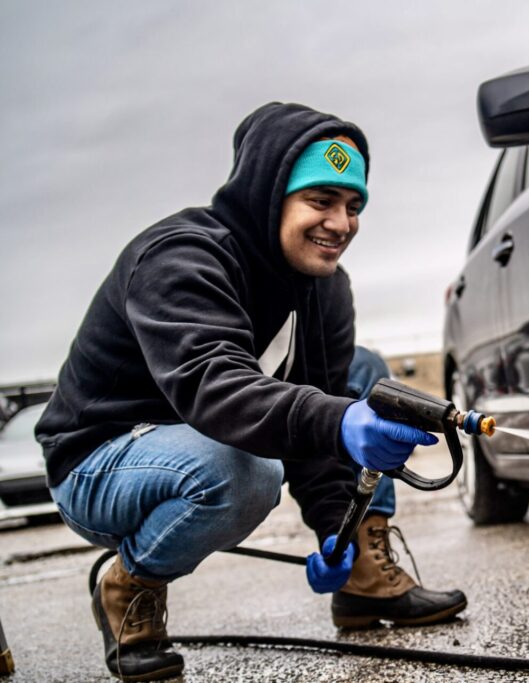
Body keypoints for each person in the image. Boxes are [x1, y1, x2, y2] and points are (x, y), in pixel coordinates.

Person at [35, 102, 467, 682]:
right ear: (269, 193)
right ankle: (130, 588)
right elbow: (214, 385)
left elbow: (321, 408)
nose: (341, 223)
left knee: (368, 378)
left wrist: (335, 524)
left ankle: (364, 573)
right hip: (99, 462)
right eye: (321, 201)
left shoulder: (327, 289)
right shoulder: (181, 257)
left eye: (353, 205)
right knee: (245, 471)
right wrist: (338, 422)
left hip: (204, 442)